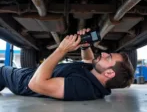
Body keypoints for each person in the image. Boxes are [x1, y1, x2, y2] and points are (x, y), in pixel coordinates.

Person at [0, 28, 134, 101]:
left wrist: (61, 49)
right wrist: (85, 47)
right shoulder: (95, 77)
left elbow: (35, 84)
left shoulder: (82, 88)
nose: (104, 54)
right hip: (31, 73)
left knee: (2, 70)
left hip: (23, 81)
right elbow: (88, 60)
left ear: (109, 73)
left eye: (108, 57)